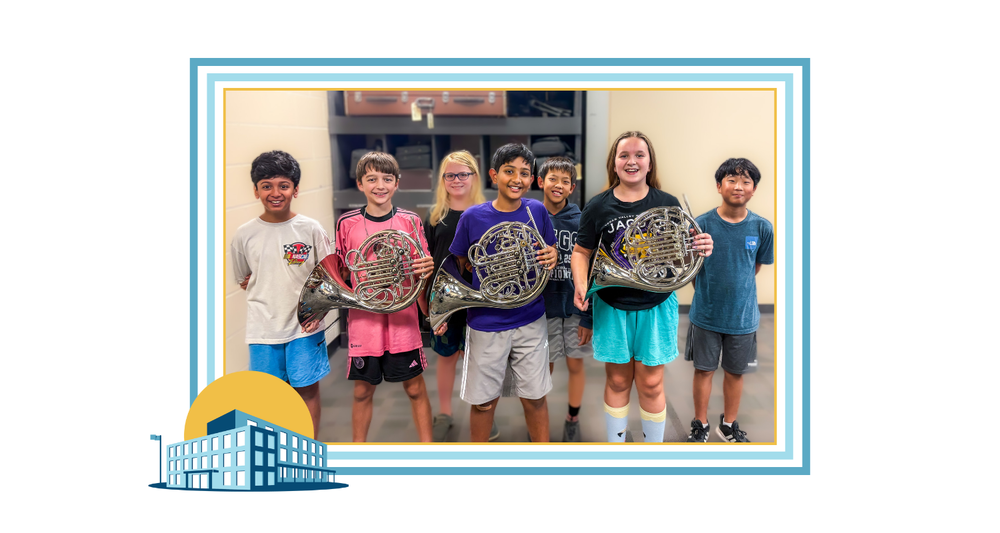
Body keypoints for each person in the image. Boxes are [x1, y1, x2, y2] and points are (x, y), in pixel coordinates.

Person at [571, 131, 714, 443]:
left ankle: (652, 452)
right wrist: (581, 284)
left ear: (650, 163)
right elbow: (581, 252)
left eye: (639, 155)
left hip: (656, 303)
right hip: (611, 303)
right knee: (618, 380)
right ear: (615, 163)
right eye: (624, 155)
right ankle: (617, 449)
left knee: (651, 383)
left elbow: (680, 254)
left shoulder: (666, 203)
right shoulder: (597, 206)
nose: (631, 161)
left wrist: (700, 246)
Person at [449, 143, 558, 442]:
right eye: (509, 171)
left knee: (536, 398)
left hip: (530, 318)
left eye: (524, 173)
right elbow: (462, 264)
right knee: (483, 404)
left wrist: (553, 256)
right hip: (486, 322)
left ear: (531, 178)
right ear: (494, 175)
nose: (517, 179)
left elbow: (549, 250)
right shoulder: (471, 217)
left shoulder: (537, 211)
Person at [336, 152, 436, 442]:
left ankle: (429, 451)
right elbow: (344, 269)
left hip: (402, 318)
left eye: (387, 179)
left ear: (396, 184)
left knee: (415, 388)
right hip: (365, 321)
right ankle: (358, 452)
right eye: (372, 179)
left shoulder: (410, 220)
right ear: (360, 184)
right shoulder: (346, 223)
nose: (380, 185)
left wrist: (426, 268)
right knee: (362, 391)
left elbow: (421, 267)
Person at [231, 150, 331, 439]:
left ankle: (309, 450)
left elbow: (330, 278)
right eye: (266, 185)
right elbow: (243, 279)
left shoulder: (310, 229)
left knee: (307, 391)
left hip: (304, 328)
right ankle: (276, 452)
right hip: (262, 330)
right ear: (256, 190)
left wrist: (319, 312)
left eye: (283, 185)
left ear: (295, 189)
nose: (275, 193)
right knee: (269, 397)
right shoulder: (244, 235)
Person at [685, 158, 773, 443]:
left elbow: (755, 266)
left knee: (735, 372)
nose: (739, 186)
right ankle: (700, 424)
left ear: (754, 189)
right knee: (703, 370)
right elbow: (691, 266)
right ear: (719, 185)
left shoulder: (762, 228)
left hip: (743, 317)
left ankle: (728, 424)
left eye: (746, 181)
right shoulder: (701, 224)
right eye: (732, 180)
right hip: (706, 315)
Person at [422, 150, 494, 442]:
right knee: (447, 357)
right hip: (445, 300)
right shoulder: (436, 215)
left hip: (477, 298)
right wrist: (424, 298)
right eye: (450, 175)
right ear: (443, 179)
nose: (456, 180)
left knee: (477, 358)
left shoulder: (486, 212)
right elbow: (428, 259)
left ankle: (483, 412)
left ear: (474, 177)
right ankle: (445, 413)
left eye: (463, 174)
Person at [535, 156, 592, 442]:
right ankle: (539, 419)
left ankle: (573, 416)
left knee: (575, 363)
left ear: (572, 188)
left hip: (573, 306)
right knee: (544, 365)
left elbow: (591, 270)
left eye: (565, 181)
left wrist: (587, 314)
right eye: (552, 179)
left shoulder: (582, 220)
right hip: (540, 308)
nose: (558, 185)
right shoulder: (530, 216)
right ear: (540, 181)